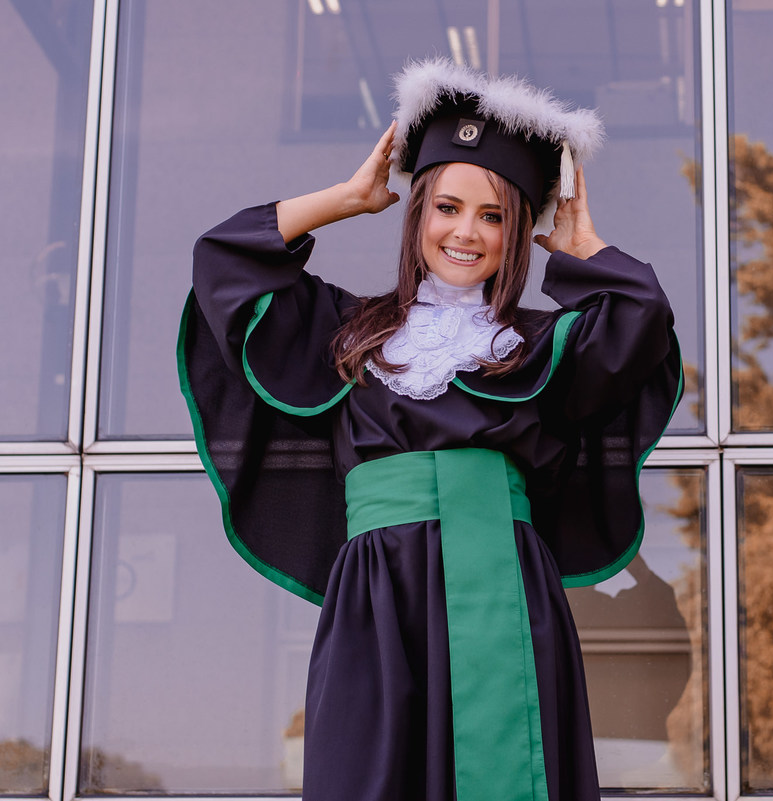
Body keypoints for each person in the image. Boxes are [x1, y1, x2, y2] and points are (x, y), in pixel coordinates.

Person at [177, 59, 681, 801]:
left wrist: (582, 247)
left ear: (518, 231)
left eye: (494, 215)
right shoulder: (348, 333)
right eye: (446, 206)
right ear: (417, 214)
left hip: (504, 586)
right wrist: (347, 199)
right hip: (376, 596)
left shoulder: (537, 346)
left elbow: (642, 318)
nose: (465, 232)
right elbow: (224, 261)